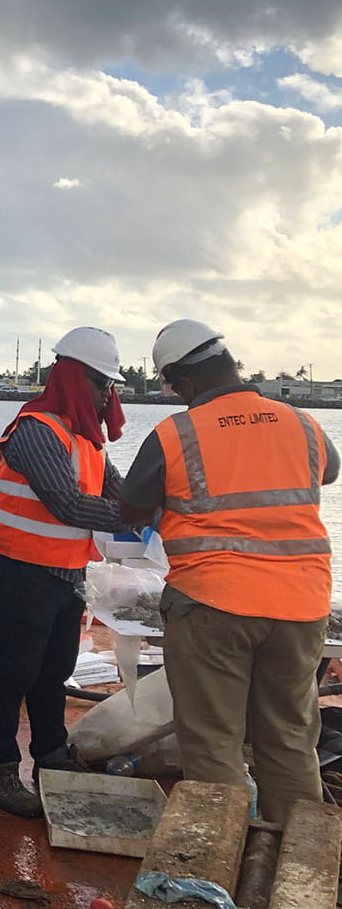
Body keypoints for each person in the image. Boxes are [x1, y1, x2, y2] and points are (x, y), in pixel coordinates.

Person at [119, 319, 339, 824]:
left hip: (214, 603)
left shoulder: (176, 433)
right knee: (289, 739)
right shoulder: (301, 421)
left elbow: (130, 508)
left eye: (173, 388)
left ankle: (216, 872)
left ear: (184, 380)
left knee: (214, 742)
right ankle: (299, 877)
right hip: (301, 604)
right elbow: (327, 470)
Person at [0, 326, 130, 818]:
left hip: (64, 570)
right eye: (100, 382)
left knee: (55, 668)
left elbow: (117, 491)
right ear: (72, 376)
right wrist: (136, 517)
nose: (107, 393)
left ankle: (51, 755)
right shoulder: (38, 429)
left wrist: (156, 506)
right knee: (13, 669)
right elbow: (66, 503)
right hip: (18, 565)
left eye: (110, 384)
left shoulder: (87, 438)